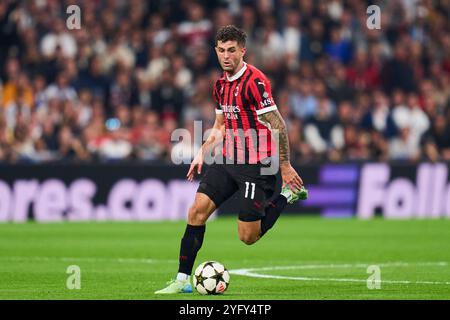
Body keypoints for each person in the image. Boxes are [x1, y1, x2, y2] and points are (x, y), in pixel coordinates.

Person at [155, 25, 307, 294]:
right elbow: (221, 125)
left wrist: (284, 166)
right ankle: (181, 280)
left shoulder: (255, 82)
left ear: (242, 50)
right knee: (196, 211)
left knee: (248, 237)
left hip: (256, 165)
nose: (226, 56)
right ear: (216, 51)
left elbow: (278, 125)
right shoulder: (220, 85)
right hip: (228, 159)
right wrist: (202, 151)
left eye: (232, 50)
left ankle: (286, 195)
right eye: (222, 50)